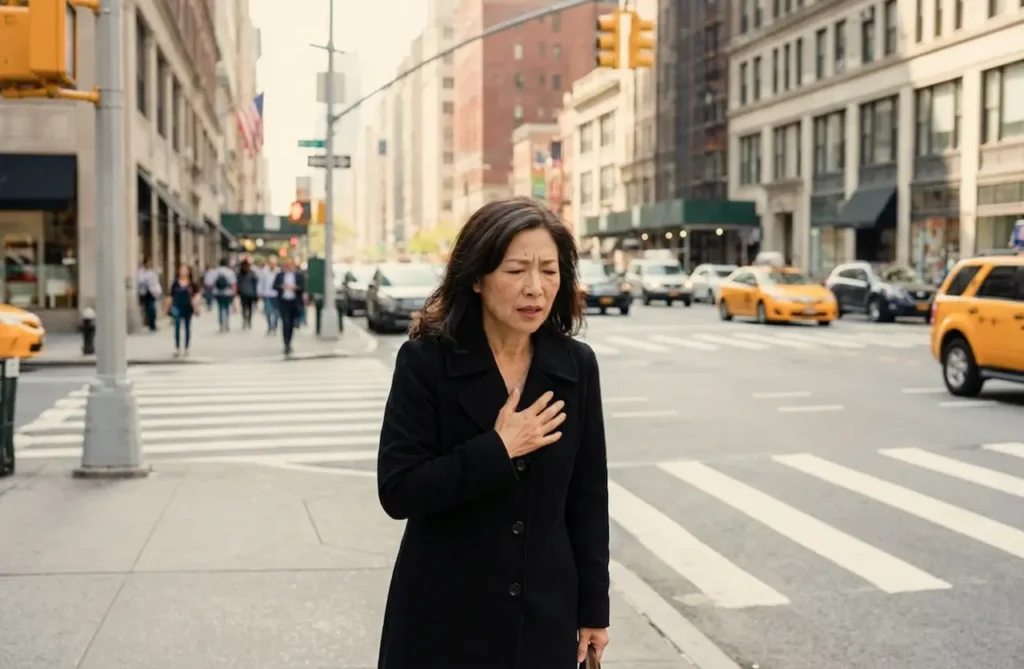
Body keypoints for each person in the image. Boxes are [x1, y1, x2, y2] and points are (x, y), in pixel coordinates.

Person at [376, 196, 610, 669]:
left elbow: (587, 499)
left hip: (543, 619)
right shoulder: (426, 362)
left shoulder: (575, 366)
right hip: (443, 619)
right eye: (516, 270)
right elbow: (399, 490)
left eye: (549, 271)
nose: (535, 288)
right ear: (477, 277)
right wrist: (498, 449)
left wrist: (593, 611)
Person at [272, 256, 306, 356]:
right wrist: (282, 286)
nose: (289, 267)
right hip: (284, 302)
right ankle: (286, 343)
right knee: (285, 322)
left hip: (294, 302)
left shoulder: (299, 275)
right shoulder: (280, 275)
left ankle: (289, 341)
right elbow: (274, 286)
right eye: (287, 266)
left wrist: (296, 287)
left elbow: (303, 287)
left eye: (291, 265)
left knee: (291, 323)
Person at [166, 263, 199, 357]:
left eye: (185, 270)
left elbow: (197, 296)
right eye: (181, 270)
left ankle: (186, 347)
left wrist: (196, 307)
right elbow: (170, 296)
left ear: (189, 272)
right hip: (177, 307)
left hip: (188, 307)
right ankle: (177, 348)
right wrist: (167, 308)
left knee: (187, 327)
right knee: (177, 326)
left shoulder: (192, 284)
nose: (183, 272)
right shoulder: (175, 284)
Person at [211, 258, 237, 332]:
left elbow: (212, 283)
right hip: (227, 292)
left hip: (218, 293)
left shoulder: (216, 271)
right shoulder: (230, 272)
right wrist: (234, 293)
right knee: (227, 308)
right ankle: (227, 323)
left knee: (220, 309)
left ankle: (221, 324)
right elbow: (233, 283)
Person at [236, 258, 260, 329]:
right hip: (247, 294)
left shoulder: (243, 274)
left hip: (246, 294)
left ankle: (246, 321)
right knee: (248, 308)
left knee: (246, 308)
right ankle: (247, 321)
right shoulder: (248, 274)